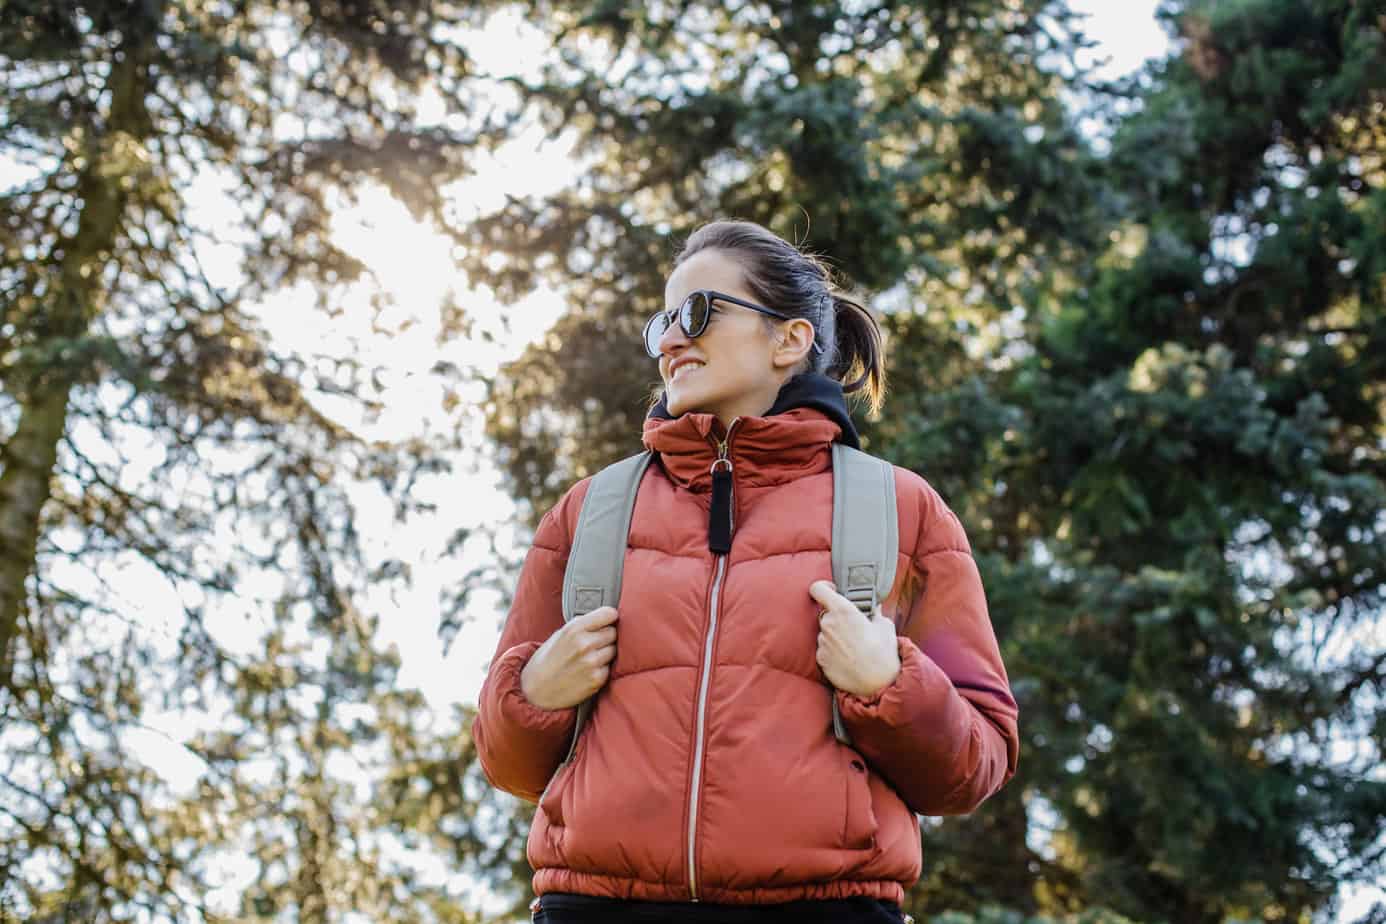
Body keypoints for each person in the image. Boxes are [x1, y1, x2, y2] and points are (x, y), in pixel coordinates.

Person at [473, 219, 1019, 922]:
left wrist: (890, 687)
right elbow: (505, 763)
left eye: (699, 313)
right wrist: (535, 693)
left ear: (789, 339)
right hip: (594, 908)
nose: (671, 340)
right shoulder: (592, 511)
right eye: (663, 322)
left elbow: (975, 766)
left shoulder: (900, 510)